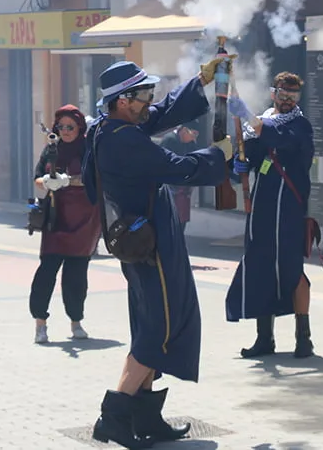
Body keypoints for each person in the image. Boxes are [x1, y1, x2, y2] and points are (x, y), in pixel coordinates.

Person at [82, 59, 230, 449]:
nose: (150, 100)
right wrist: (221, 155)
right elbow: (178, 167)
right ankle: (112, 419)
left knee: (153, 323)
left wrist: (201, 81)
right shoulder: (122, 138)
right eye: (144, 94)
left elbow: (161, 114)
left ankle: (145, 419)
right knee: (158, 330)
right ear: (123, 100)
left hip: (142, 237)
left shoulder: (108, 128)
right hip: (151, 243)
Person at [225, 72, 316, 358]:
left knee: (292, 268)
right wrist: (237, 166)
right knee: (260, 266)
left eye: (293, 96)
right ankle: (265, 339)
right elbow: (248, 153)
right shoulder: (261, 124)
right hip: (262, 206)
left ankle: (304, 339)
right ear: (272, 93)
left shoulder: (300, 125)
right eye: (282, 94)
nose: (287, 100)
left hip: (289, 206)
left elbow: (281, 139)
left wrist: (249, 116)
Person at [30, 104, 101, 344]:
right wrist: (47, 183)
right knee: (46, 272)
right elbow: (38, 177)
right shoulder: (51, 148)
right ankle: (40, 324)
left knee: (76, 276)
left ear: (79, 127)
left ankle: (76, 322)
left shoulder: (89, 149)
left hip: (84, 220)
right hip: (56, 218)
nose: (65, 131)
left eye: (70, 126)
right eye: (61, 127)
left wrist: (67, 181)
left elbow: (94, 179)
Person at [157, 121, 201, 227]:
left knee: (181, 220)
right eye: (193, 134)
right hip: (168, 185)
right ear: (184, 130)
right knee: (169, 219)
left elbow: (195, 162)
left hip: (184, 187)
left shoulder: (191, 144)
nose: (194, 138)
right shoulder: (170, 140)